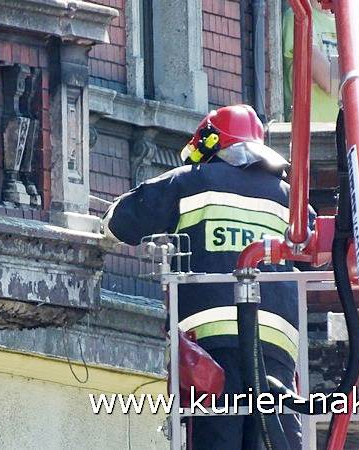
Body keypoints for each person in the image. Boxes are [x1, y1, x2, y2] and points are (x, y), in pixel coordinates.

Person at [102, 105, 310, 449]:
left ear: (211, 144)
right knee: (274, 439)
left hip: (212, 350)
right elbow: (318, 251)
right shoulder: (293, 201)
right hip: (278, 351)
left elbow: (120, 221)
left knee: (216, 437)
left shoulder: (192, 181)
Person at [283, 0, 339, 122]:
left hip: (343, 133)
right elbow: (328, 81)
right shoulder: (299, 16)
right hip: (312, 133)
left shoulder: (348, 25)